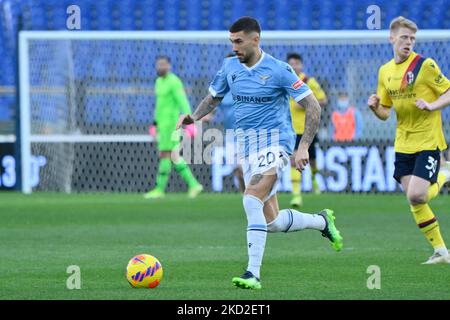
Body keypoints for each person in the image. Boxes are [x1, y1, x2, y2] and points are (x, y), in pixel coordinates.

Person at [177, 17, 343, 289]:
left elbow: (314, 106)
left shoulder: (279, 70)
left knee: (251, 198)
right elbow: (214, 97)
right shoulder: (229, 66)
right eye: (231, 42)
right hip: (248, 146)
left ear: (256, 39)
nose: (234, 47)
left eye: (239, 41)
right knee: (272, 222)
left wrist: (302, 147)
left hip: (277, 143)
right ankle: (321, 221)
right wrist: (193, 117)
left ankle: (252, 273)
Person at [368, 16, 450, 264]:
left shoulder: (424, 66)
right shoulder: (385, 71)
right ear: (391, 38)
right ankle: (441, 252)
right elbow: (385, 113)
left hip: (428, 139)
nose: (409, 42)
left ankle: (445, 175)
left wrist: (432, 105)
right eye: (404, 37)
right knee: (414, 199)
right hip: (403, 142)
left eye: (412, 38)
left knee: (416, 196)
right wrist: (374, 107)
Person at [144, 55, 203, 199]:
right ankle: (162, 189)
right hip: (162, 125)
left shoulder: (174, 82)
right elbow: (159, 105)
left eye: (164, 64)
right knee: (166, 155)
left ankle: (190, 185)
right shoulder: (158, 82)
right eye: (159, 64)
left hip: (172, 125)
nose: (161, 67)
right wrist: (155, 123)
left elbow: (183, 102)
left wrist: (190, 122)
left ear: (169, 66)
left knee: (171, 154)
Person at [287, 53, 327, 206]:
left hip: (308, 128)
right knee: (293, 160)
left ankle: (314, 178)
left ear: (301, 65)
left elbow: (323, 99)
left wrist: (307, 103)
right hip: (291, 129)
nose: (294, 66)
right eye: (291, 63)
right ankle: (296, 195)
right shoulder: (285, 82)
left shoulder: (309, 81)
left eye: (297, 63)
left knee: (312, 160)